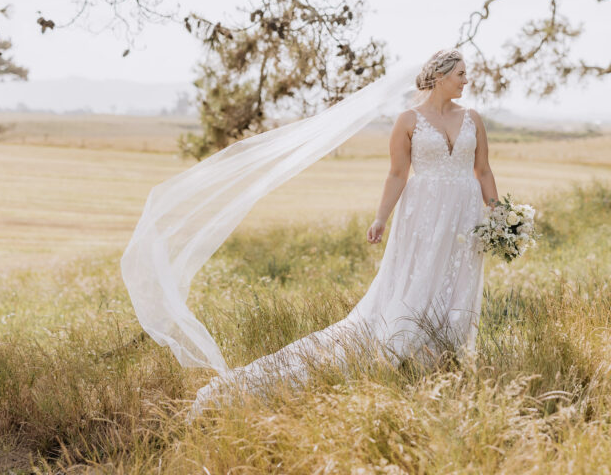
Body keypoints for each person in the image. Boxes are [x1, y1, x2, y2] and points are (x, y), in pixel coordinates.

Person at [188, 48, 499, 419]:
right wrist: (381, 219)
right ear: (441, 76)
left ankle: (448, 360)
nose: (466, 80)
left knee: (457, 282)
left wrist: (498, 215)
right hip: (421, 215)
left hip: (465, 215)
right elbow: (398, 174)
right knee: (415, 283)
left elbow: (483, 170)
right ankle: (402, 351)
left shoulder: (473, 119)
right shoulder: (408, 120)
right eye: (461, 74)